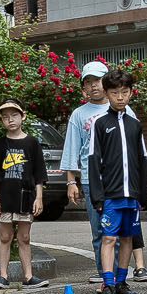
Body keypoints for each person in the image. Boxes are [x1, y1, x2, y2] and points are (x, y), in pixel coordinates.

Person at [85, 68, 147, 294]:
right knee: (108, 239)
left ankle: (122, 281)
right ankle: (109, 283)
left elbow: (143, 160)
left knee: (128, 238)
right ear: (107, 94)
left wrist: (143, 195)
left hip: (131, 194)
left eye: (124, 92)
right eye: (115, 93)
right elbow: (93, 161)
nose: (120, 97)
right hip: (111, 195)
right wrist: (98, 197)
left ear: (131, 93)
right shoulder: (100, 124)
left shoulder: (135, 125)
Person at [0, 101, 48, 288]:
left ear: (23, 116)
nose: (10, 120)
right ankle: (3, 276)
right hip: (5, 196)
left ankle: (28, 276)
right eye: (5, 117)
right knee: (5, 236)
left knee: (24, 237)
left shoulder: (32, 143)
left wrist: (39, 197)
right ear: (1, 120)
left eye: (14, 115)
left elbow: (39, 174)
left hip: (26, 197)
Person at [60, 62, 110, 281]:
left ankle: (120, 274)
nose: (93, 86)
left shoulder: (122, 108)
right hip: (91, 180)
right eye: (88, 82)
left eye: (97, 81)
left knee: (121, 230)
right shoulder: (79, 114)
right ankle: (104, 273)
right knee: (99, 229)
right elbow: (71, 149)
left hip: (119, 179)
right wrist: (72, 182)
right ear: (83, 88)